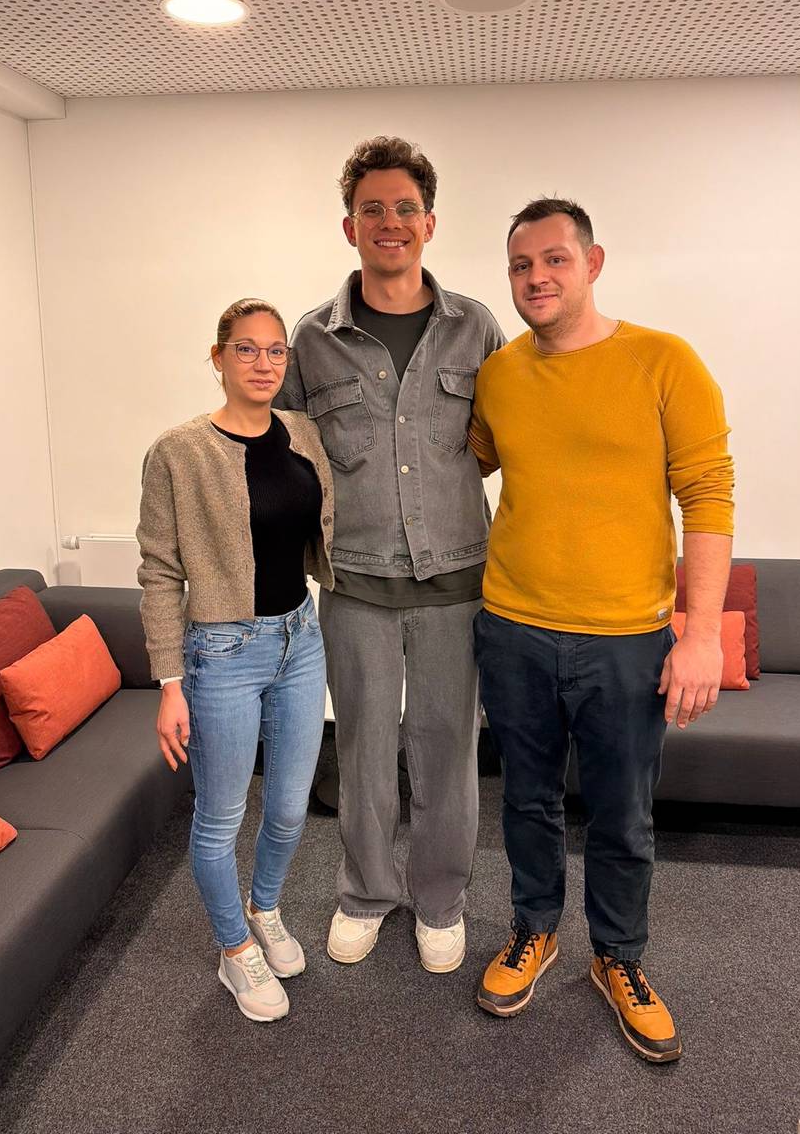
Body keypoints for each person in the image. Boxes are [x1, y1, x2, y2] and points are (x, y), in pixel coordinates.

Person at [469, 198, 734, 1061]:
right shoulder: (499, 374)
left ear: (593, 263)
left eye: (554, 259)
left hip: (626, 639)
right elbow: (460, 464)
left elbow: (708, 495)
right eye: (520, 265)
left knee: (622, 814)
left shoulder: (663, 360)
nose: (536, 277)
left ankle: (618, 957)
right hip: (513, 628)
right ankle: (534, 929)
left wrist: (701, 635)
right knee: (526, 800)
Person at [275, 136, 505, 974]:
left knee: (447, 753)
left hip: (457, 582)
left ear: (429, 223)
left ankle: (440, 901)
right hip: (357, 585)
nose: (390, 222)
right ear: (349, 226)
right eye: (371, 208)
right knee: (364, 753)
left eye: (406, 207)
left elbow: (507, 442)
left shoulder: (476, 327)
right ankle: (366, 893)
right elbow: (288, 459)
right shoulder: (311, 339)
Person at [137, 298, 335, 1023]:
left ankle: (265, 908)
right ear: (218, 358)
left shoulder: (304, 433)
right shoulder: (178, 451)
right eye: (246, 349)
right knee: (221, 817)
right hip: (222, 651)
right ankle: (234, 949)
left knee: (288, 807)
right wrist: (169, 682)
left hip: (300, 638)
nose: (263, 363)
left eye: (276, 350)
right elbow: (160, 570)